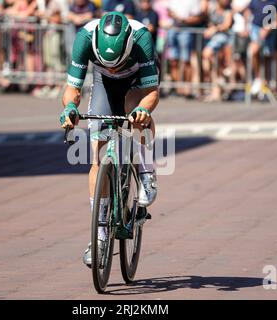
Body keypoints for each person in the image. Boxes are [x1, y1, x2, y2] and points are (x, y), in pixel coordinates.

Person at [59, 12, 159, 267]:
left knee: (135, 113)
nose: (114, 67)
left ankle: (146, 170)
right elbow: (73, 88)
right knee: (98, 157)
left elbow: (151, 93)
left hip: (137, 82)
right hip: (103, 83)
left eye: (117, 62)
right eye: (109, 62)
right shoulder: (84, 38)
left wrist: (143, 111)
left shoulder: (141, 38)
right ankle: (100, 235)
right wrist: (70, 107)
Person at [244, 0, 277, 95]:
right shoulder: (254, 1)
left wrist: (268, 28)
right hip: (255, 30)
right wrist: (246, 25)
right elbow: (247, 11)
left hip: (269, 33)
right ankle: (258, 78)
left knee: (267, 58)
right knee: (253, 51)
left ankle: (266, 84)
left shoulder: (276, 1)